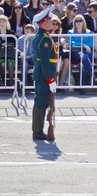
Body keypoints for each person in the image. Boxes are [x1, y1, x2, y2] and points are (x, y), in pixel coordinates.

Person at [31, 9, 57, 140]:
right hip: (44, 74)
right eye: (48, 20)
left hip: (42, 73)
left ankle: (38, 130)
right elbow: (46, 62)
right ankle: (37, 131)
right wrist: (51, 79)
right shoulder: (44, 39)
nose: (51, 21)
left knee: (41, 100)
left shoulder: (42, 36)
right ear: (42, 23)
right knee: (41, 102)